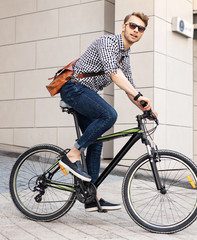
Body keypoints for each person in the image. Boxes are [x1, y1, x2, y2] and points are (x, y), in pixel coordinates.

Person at [59, 12, 154, 212]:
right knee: (109, 115)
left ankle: (92, 197)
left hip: (85, 92)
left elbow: (129, 87)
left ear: (143, 33)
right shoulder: (109, 42)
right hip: (74, 88)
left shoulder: (125, 56)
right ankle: (72, 155)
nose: (136, 30)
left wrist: (146, 109)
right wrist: (138, 96)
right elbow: (114, 73)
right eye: (133, 26)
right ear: (124, 26)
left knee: (96, 142)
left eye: (141, 28)